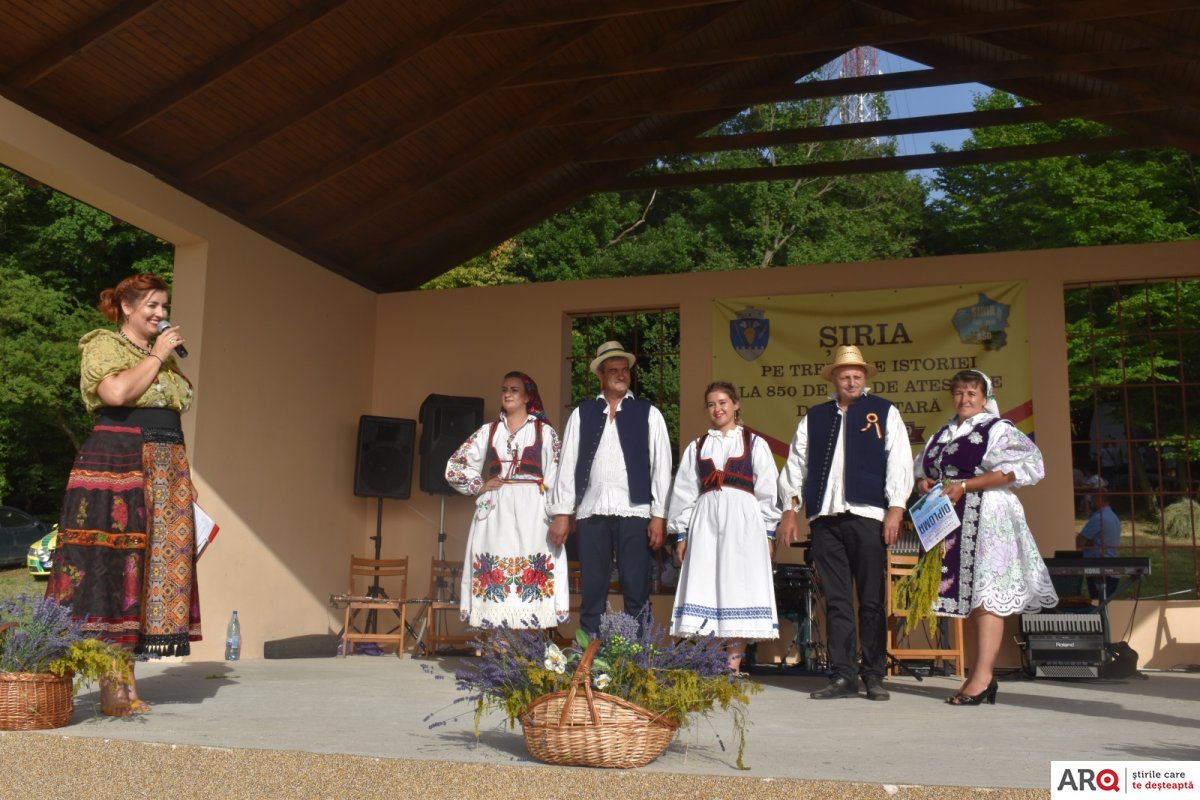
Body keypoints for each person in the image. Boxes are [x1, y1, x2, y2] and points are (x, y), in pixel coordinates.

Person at [45, 274, 199, 716]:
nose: (160, 313)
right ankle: (114, 684)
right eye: (152, 305)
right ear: (126, 307)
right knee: (115, 567)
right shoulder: (105, 345)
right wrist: (157, 354)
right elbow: (115, 392)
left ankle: (127, 681)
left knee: (152, 570)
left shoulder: (162, 361)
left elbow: (169, 415)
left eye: (164, 305)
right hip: (119, 464)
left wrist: (185, 479)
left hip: (166, 468)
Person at [914, 369, 1058, 706]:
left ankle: (982, 677)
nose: (964, 399)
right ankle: (979, 675)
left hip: (987, 515)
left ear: (984, 398)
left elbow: (1021, 467)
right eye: (959, 393)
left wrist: (966, 485)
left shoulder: (997, 429)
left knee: (986, 595)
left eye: (971, 393)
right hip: (951, 517)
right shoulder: (943, 433)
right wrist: (923, 482)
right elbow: (923, 468)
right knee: (968, 597)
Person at [777, 345, 913, 701]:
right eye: (845, 375)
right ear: (834, 379)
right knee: (837, 600)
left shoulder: (884, 411)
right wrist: (790, 510)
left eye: (856, 375)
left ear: (864, 378)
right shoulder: (815, 417)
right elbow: (796, 464)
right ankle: (843, 675)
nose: (851, 381)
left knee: (871, 600)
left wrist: (896, 508)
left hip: (868, 517)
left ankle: (874, 675)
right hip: (825, 519)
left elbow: (899, 461)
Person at [548, 341, 673, 636]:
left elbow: (662, 465)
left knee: (635, 586)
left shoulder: (648, 412)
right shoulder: (583, 413)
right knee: (593, 587)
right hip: (591, 510)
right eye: (613, 370)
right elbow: (567, 464)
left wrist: (659, 515)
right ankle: (588, 652)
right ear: (601, 376)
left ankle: (636, 654)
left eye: (624, 369)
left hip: (635, 510)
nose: (620, 374)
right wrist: (563, 512)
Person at [667, 382, 780, 671]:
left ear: (736, 404)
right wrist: (682, 534)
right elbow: (684, 493)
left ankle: (733, 667)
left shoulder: (754, 443)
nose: (717, 409)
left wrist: (768, 532)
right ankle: (716, 665)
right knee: (709, 587)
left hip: (744, 524)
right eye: (711, 404)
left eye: (722, 403)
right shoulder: (698, 446)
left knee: (738, 588)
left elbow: (768, 490)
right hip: (706, 523)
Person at [445, 372, 567, 629]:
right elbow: (455, 466)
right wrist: (479, 486)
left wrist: (559, 514)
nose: (508, 394)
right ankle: (498, 650)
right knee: (494, 576)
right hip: (496, 513)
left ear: (527, 397)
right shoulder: (489, 431)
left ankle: (527, 651)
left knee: (531, 580)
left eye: (514, 389)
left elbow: (558, 475)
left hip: (533, 512)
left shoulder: (543, 431)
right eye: (504, 389)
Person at [1077, 491, 1122, 600]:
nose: (1091, 502)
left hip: (1099, 568)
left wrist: (1089, 542)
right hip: (1112, 568)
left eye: (1093, 499)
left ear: (1098, 500)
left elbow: (1079, 541)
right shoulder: (1114, 517)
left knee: (1098, 602)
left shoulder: (1098, 517)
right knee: (1105, 603)